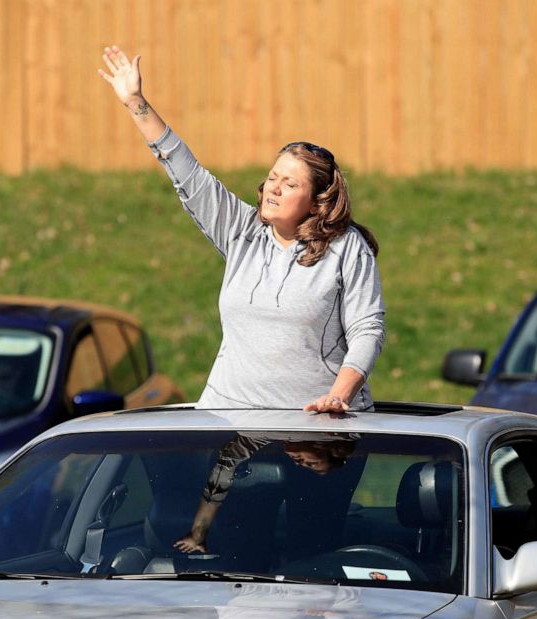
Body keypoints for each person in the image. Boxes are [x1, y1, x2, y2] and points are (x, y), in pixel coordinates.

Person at [98, 46, 384, 414]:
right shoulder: (241, 230)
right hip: (228, 417)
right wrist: (136, 103)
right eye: (271, 178)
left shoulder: (347, 247)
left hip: (315, 424)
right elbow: (187, 173)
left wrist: (338, 397)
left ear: (317, 201)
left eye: (290, 184)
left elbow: (367, 329)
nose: (274, 188)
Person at [174, 431, 358, 554]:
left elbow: (220, 479)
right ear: (323, 447)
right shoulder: (264, 430)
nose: (299, 464)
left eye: (308, 465)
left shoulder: (256, 437)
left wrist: (198, 534)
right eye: (311, 464)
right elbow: (218, 481)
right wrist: (198, 534)